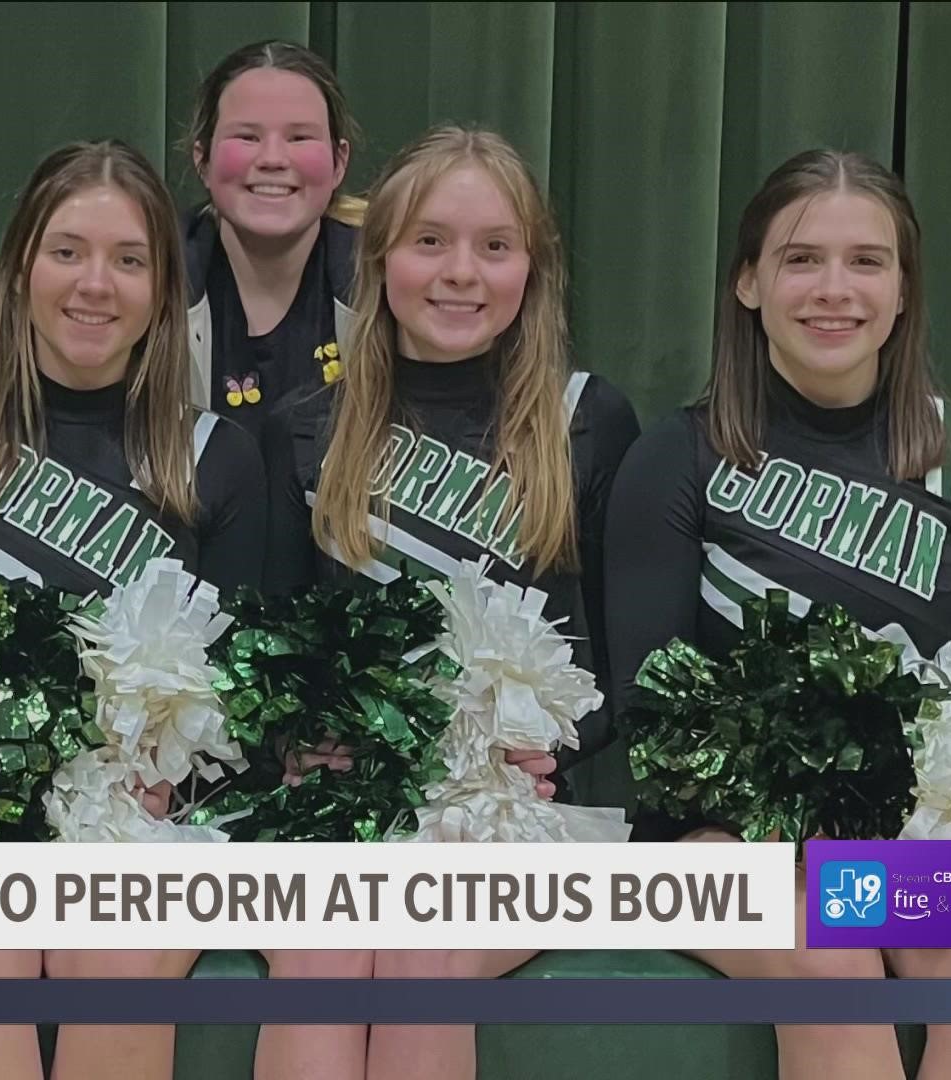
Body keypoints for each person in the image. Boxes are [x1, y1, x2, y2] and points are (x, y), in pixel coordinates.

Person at [605, 148, 951, 1080]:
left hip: (907, 838)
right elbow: (651, 712)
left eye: (867, 261)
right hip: (712, 840)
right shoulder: (676, 459)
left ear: (903, 289)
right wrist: (774, 826)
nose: (833, 290)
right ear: (749, 282)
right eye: (802, 259)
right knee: (828, 955)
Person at [0, 138, 266, 1080]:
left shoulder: (218, 458)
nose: (95, 284)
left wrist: (170, 782)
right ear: (20, 268)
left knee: (121, 969)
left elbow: (247, 698)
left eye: (129, 260)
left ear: (164, 291)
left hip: (142, 827)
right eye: (68, 251)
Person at [259, 124, 640, 1080]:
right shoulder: (308, 427)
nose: (459, 272)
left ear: (532, 270)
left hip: (511, 816)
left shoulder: (586, 420)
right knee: (323, 955)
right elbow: (262, 646)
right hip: (347, 810)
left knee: (426, 958)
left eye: (494, 246)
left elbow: (626, 667)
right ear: (378, 259)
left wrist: (551, 744)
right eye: (429, 241)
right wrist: (300, 737)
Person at [182, 39, 362, 435]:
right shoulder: (152, 281)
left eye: (299, 138)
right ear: (203, 160)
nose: (273, 159)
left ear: (339, 162)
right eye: (247, 137)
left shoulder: (386, 286)